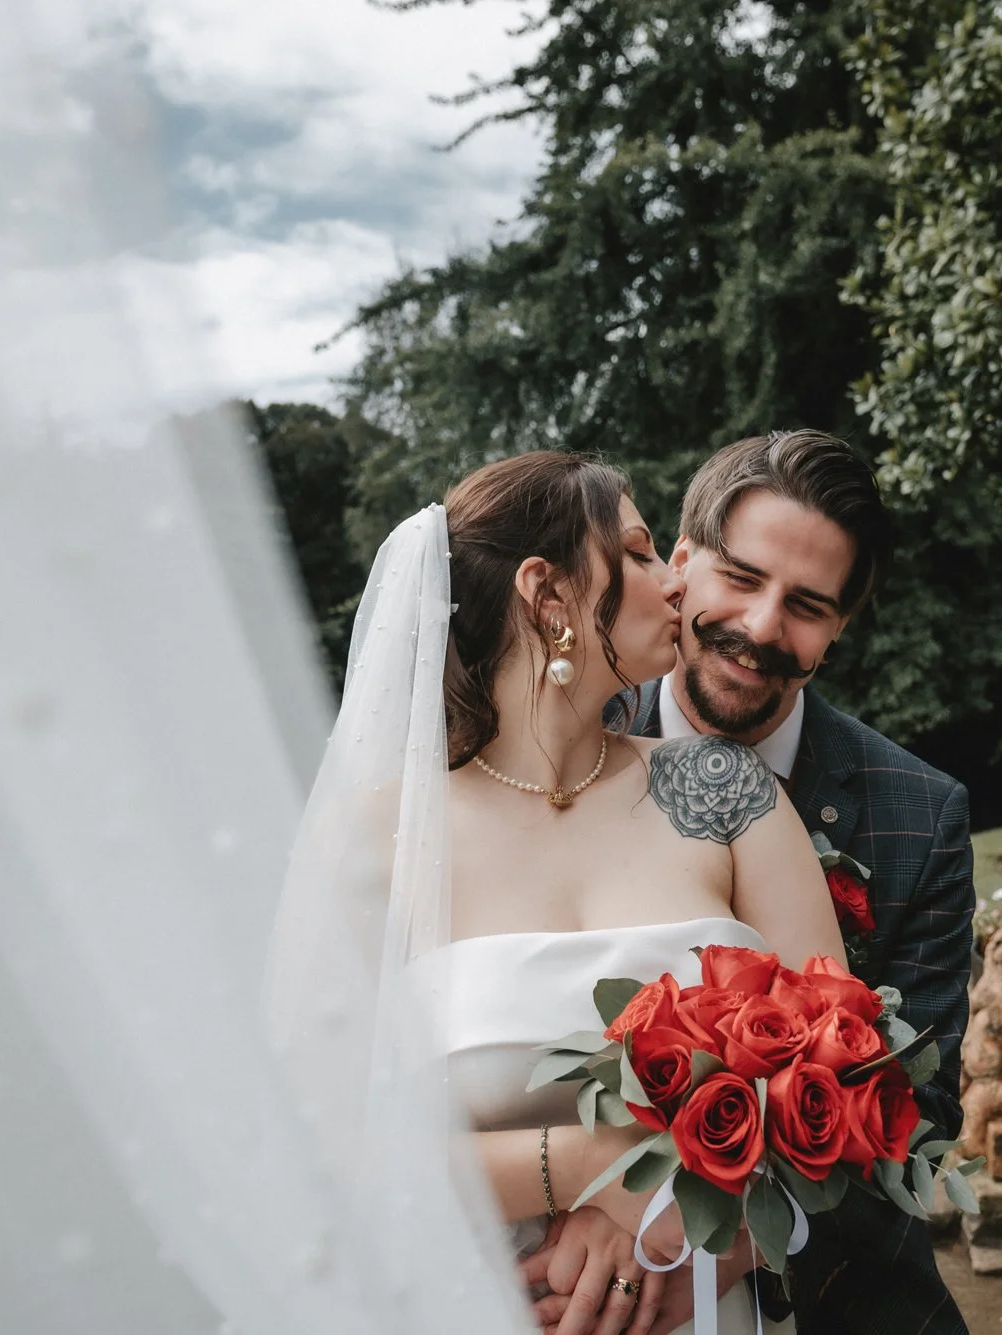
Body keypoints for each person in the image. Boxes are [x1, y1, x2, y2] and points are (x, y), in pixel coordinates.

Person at [277, 450, 848, 1335]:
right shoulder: (374, 837)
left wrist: (666, 1242)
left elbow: (843, 1080)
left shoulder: (729, 794)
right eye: (640, 552)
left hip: (698, 1304)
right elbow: (318, 1138)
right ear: (547, 592)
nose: (676, 583)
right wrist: (582, 1159)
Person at [606, 430, 974, 1334]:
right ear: (681, 564)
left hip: (842, 1296)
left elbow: (919, 1112)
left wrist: (731, 1239)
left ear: (839, 627)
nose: (766, 627)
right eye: (742, 577)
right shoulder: (568, 754)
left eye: (807, 605)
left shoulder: (918, 816)